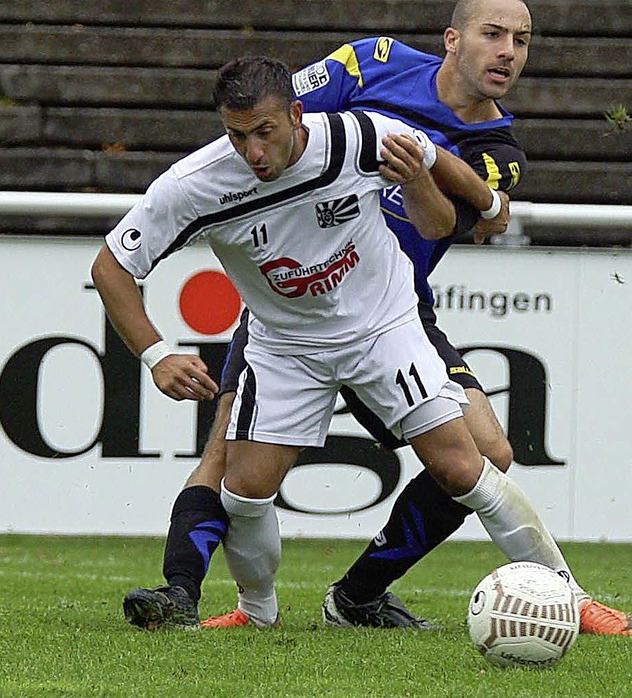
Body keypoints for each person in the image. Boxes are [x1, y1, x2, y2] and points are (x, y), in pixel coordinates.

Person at [129, 0, 630, 636]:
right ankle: (184, 595)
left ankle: (358, 595)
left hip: (390, 309)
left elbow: (452, 222)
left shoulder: (496, 150)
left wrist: (466, 192)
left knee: (487, 453)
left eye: (522, 40)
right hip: (287, 304)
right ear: (453, 39)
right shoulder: (376, 63)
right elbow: (277, 116)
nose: (508, 51)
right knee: (228, 457)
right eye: (493, 34)